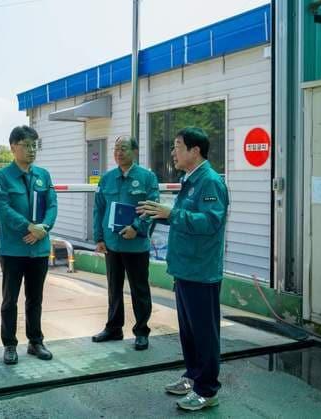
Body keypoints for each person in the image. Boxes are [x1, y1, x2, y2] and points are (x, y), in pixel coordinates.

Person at [137, 127, 229, 412]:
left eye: (178, 146)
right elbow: (184, 218)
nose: (173, 152)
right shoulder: (190, 179)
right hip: (186, 268)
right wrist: (160, 213)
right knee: (189, 332)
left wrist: (172, 213)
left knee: (204, 332)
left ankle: (207, 390)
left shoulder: (210, 182)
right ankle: (192, 376)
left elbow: (210, 222)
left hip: (201, 270)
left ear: (195, 151)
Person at [0, 125, 58, 365]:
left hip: (39, 248)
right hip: (13, 249)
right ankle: (9, 344)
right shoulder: (1, 177)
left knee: (35, 298)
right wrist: (29, 226)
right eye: (26, 145)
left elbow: (52, 205)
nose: (31, 150)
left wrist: (43, 229)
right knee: (10, 299)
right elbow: (3, 208)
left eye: (34, 145)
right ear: (13, 147)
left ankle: (35, 341)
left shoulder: (43, 175)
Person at [92, 135, 159, 350]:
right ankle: (114, 328)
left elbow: (152, 206)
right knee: (113, 288)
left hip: (136, 245)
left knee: (139, 289)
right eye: (116, 149)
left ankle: (141, 331)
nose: (119, 153)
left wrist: (137, 227)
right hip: (112, 244)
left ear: (135, 151)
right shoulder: (107, 179)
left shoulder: (147, 178)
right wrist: (99, 238)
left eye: (124, 149)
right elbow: (99, 209)